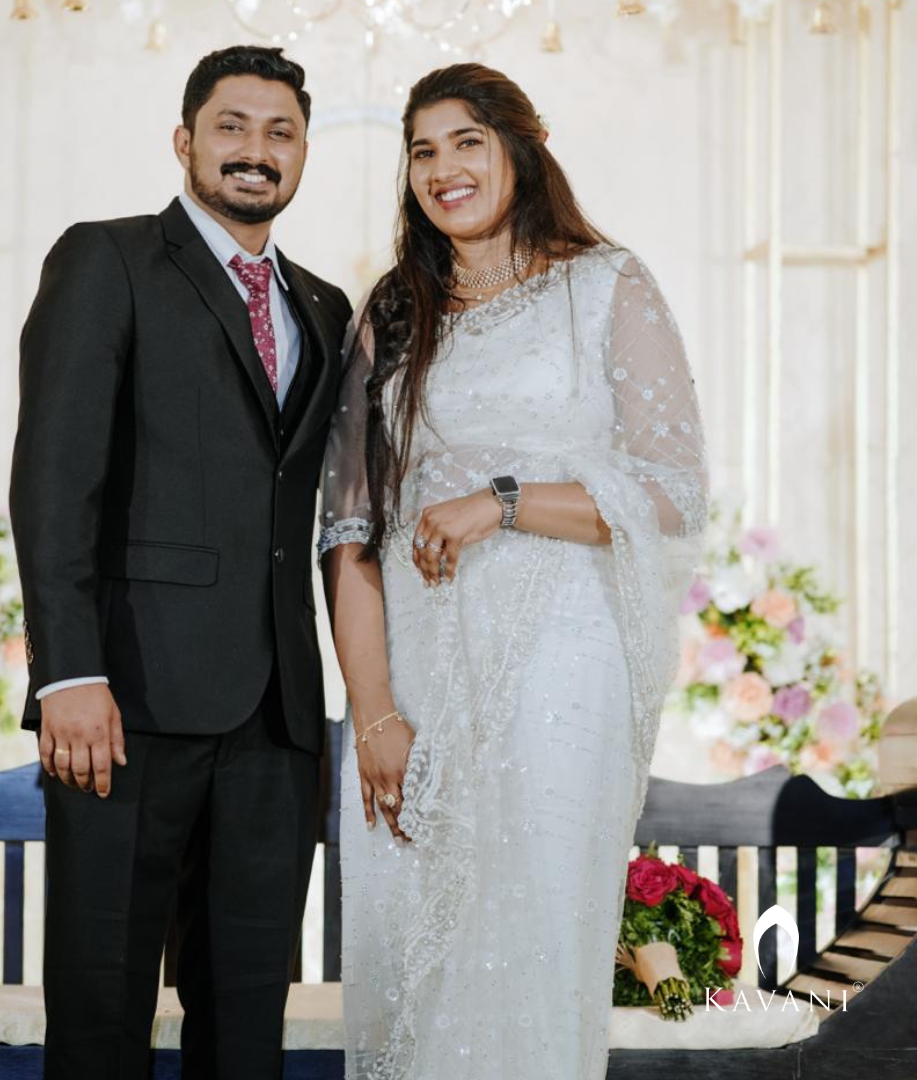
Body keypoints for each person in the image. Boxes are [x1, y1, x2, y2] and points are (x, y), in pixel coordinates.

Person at [319, 63, 709, 1079]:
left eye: (466, 141)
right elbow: (350, 531)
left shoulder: (605, 284)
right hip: (422, 674)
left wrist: (500, 506)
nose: (442, 168)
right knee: (416, 949)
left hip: (561, 668)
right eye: (421, 149)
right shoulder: (396, 313)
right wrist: (375, 715)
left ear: (520, 148)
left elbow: (671, 493)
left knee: (531, 927)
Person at [9, 45, 352, 1080]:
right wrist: (67, 671)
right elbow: (52, 480)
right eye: (233, 127)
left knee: (247, 1023)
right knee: (102, 1007)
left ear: (302, 154)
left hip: (278, 720)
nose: (257, 150)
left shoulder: (326, 309)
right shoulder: (105, 259)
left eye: (280, 132)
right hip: (124, 708)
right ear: (185, 140)